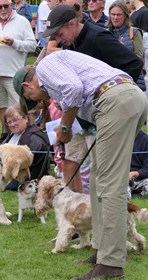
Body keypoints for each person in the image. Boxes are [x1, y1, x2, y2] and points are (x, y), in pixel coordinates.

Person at [13, 49, 148, 280]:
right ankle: (102, 251)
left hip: (115, 100)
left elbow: (74, 90)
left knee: (109, 185)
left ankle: (111, 264)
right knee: (98, 179)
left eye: (31, 98)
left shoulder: (45, 67)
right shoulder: (60, 65)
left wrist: (64, 129)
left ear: (27, 85)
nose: (38, 101)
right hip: (126, 97)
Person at [42, 5, 143, 193]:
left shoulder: (97, 37)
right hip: (77, 116)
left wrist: (112, 94)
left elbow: (134, 63)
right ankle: (75, 214)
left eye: (58, 33)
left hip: (104, 113)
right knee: (69, 161)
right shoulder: (68, 43)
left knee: (102, 172)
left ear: (72, 23)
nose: (56, 39)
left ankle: (109, 216)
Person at [0, 0, 36, 145]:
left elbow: (32, 44)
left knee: (19, 110)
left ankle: (24, 139)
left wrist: (14, 42)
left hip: (14, 74)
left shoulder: (22, 21)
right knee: (2, 108)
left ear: (11, 5)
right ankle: (6, 138)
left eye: (6, 5)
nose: (3, 9)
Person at [1, 103, 50, 190]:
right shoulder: (13, 133)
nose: (12, 124)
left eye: (16, 120)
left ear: (26, 118)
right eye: (9, 122)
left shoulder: (34, 138)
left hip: (25, 179)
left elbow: (25, 166)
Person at [106, 0, 146, 91]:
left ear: (125, 16)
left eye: (119, 15)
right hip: (111, 82)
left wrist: (123, 52)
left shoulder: (134, 32)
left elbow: (139, 59)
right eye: (113, 14)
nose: (115, 17)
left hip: (133, 81)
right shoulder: (105, 34)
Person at [129, 130, 148, 198]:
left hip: (141, 178)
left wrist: (134, 173)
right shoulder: (118, 138)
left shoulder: (145, 139)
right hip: (122, 178)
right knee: (120, 196)